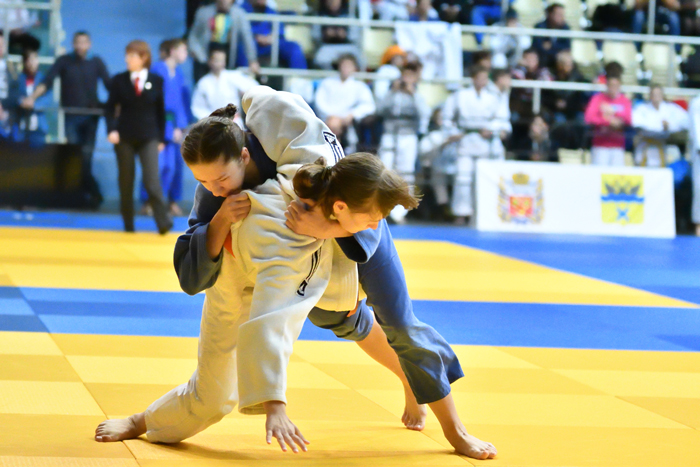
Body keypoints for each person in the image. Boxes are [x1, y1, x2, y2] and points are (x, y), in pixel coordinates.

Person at [97, 88, 498, 460]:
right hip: (300, 256)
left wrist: (328, 227)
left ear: (245, 157)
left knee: (403, 326)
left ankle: (455, 429)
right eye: (203, 181)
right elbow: (192, 274)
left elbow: (340, 168)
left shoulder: (286, 136)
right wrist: (218, 223)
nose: (214, 188)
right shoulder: (217, 199)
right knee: (350, 321)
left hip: (354, 224)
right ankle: (410, 380)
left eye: (220, 179)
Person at [23, 31, 111, 208]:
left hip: (91, 119)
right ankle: (87, 195)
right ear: (73, 43)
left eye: (84, 42)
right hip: (71, 117)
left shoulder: (96, 61)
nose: (80, 46)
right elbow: (47, 82)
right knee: (73, 158)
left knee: (85, 158)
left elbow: (110, 85)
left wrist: (117, 105)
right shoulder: (64, 61)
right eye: (77, 42)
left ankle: (91, 194)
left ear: (89, 44)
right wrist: (32, 97)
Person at [105, 40, 172, 234]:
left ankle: (163, 222)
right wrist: (111, 130)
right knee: (126, 181)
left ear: (144, 58)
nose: (127, 59)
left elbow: (161, 112)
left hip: (149, 136)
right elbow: (109, 108)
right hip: (124, 136)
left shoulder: (157, 80)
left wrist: (161, 139)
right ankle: (128, 225)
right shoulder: (119, 80)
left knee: (152, 181)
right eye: (127, 55)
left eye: (132, 55)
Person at [443, 66, 505, 224]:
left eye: (485, 78)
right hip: (465, 139)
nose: (482, 81)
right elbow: (446, 117)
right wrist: (453, 132)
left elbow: (501, 119)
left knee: (484, 178)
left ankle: (483, 211)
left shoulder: (493, 96)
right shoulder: (461, 95)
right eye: (479, 77)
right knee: (463, 178)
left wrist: (491, 130)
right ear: (473, 78)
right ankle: (461, 213)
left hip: (484, 142)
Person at [140, 39, 192, 217]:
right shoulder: (156, 70)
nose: (186, 54)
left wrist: (181, 126)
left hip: (175, 127)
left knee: (173, 166)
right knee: (156, 165)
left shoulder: (178, 73)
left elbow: (180, 103)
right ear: (172, 51)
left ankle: (170, 201)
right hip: (157, 125)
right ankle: (149, 201)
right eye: (183, 50)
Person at [376, 61, 431, 223]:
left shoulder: (417, 93)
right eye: (405, 74)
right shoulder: (392, 91)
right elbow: (379, 109)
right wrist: (392, 91)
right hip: (389, 132)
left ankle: (400, 211)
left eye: (410, 76)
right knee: (384, 169)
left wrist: (412, 93)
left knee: (406, 171)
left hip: (408, 135)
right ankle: (382, 207)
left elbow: (425, 113)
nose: (406, 78)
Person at [314, 54, 376, 152]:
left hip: (349, 122)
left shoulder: (359, 86)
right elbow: (319, 103)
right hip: (329, 119)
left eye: (349, 66)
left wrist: (352, 114)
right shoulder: (327, 83)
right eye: (344, 65)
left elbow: (369, 106)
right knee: (333, 124)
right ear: (339, 66)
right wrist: (332, 116)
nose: (346, 69)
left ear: (354, 68)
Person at [188, 0, 260, 83]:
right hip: (205, 59)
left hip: (229, 58)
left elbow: (247, 38)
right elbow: (193, 37)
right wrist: (200, 56)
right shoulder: (204, 13)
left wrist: (252, 60)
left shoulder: (239, 14)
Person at [191, 48, 259, 125]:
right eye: (217, 60)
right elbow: (197, 108)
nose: (220, 63)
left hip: (234, 122)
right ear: (210, 61)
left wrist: (247, 94)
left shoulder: (233, 76)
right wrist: (211, 119)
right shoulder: (203, 83)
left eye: (222, 60)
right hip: (213, 124)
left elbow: (254, 87)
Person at [632, 84, 689, 167]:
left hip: (663, 146)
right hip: (645, 145)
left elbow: (685, 122)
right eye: (654, 94)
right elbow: (637, 123)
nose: (656, 97)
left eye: (658, 94)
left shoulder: (671, 109)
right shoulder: (642, 109)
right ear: (650, 96)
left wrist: (669, 126)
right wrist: (659, 126)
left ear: (662, 95)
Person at [242, 0, 308, 69]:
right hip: (252, 44)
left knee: (293, 47)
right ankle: (244, 75)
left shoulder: (271, 11)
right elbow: (242, 32)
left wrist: (272, 37)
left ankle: (298, 76)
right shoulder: (242, 10)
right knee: (244, 47)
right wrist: (255, 37)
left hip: (271, 44)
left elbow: (280, 32)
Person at [584, 72, 632, 166]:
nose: (613, 88)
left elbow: (628, 119)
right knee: (598, 174)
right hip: (600, 145)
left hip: (617, 145)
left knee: (616, 177)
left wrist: (614, 116)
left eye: (616, 85)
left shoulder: (624, 101)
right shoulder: (597, 99)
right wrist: (608, 121)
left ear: (620, 86)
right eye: (611, 85)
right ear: (606, 85)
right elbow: (589, 118)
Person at [8, 49, 50, 146]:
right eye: (29, 60)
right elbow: (13, 96)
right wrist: (20, 102)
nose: (31, 63)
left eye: (34, 59)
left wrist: (34, 104)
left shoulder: (44, 80)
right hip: (20, 127)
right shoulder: (18, 79)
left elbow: (48, 100)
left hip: (38, 128)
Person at [312, 0, 363, 70]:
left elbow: (355, 37)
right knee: (320, 59)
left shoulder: (348, 14)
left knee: (361, 59)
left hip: (347, 46)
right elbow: (315, 36)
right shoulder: (320, 15)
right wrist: (325, 36)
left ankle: (355, 79)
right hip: (327, 46)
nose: (333, 2)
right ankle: (330, 78)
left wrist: (345, 35)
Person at [532, 3, 571, 68]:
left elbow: (567, 47)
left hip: (558, 58)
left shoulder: (566, 28)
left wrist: (551, 46)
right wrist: (555, 49)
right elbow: (537, 46)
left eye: (562, 15)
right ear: (550, 14)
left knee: (566, 59)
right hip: (542, 58)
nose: (562, 17)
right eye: (559, 15)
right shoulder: (540, 26)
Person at [688, 94, 700, 236]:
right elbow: (695, 132)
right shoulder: (697, 102)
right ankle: (699, 224)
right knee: (699, 189)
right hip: (699, 151)